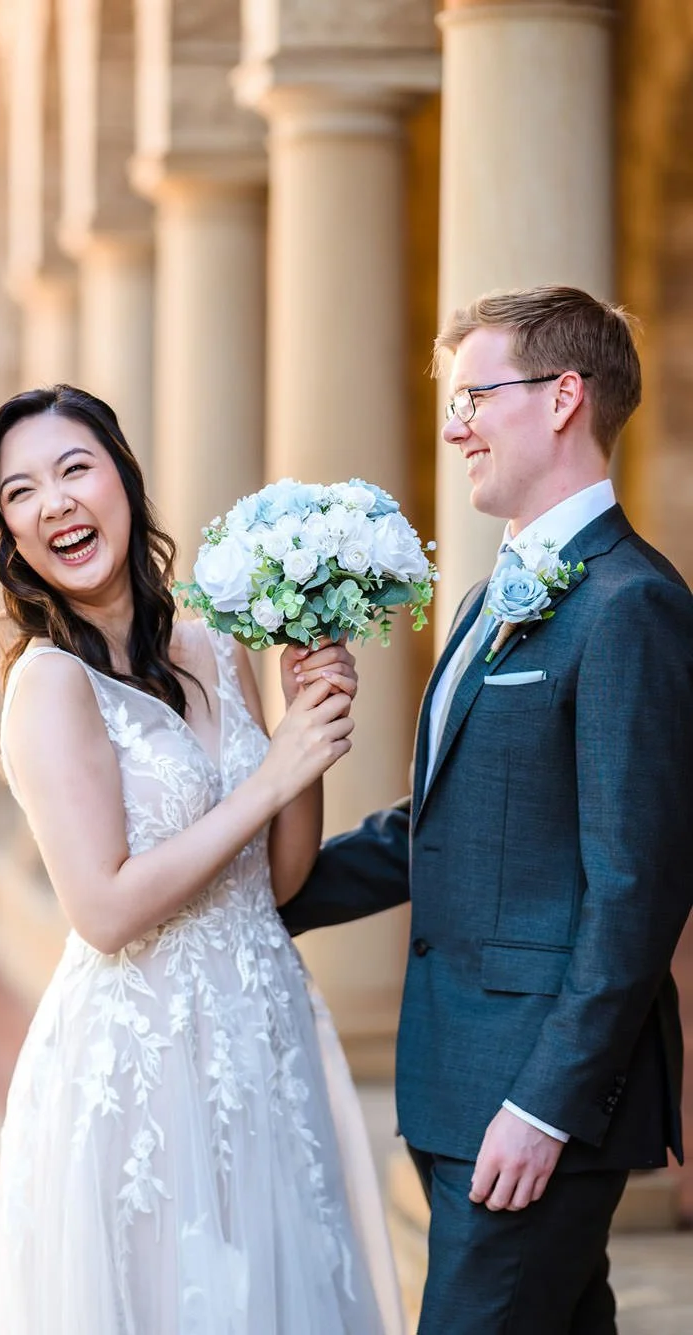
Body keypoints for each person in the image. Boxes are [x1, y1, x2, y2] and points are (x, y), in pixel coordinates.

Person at [281, 285, 693, 1334]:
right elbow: (442, 829)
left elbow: (637, 890)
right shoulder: (490, 596)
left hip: (530, 1103)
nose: (454, 424)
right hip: (456, 1083)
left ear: (563, 398)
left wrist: (546, 1104)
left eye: (475, 395)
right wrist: (254, 891)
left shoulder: (630, 606)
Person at [0, 384, 404, 1335]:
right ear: (9, 531)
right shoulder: (49, 685)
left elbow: (280, 876)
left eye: (75, 469)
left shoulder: (214, 645)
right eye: (22, 491)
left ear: (123, 478)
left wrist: (305, 727)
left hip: (265, 1029)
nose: (55, 503)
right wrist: (269, 778)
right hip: (142, 1058)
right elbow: (105, 907)